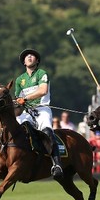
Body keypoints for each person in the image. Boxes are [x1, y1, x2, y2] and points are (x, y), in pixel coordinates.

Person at [14, 48, 63, 179]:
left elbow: (43, 90)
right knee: (16, 131)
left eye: (32, 56)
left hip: (42, 109)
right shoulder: (20, 80)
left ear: (37, 60)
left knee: (47, 131)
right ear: (24, 62)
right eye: (26, 56)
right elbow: (18, 101)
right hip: (27, 112)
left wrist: (25, 98)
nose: (29, 57)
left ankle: (57, 164)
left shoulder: (42, 73)